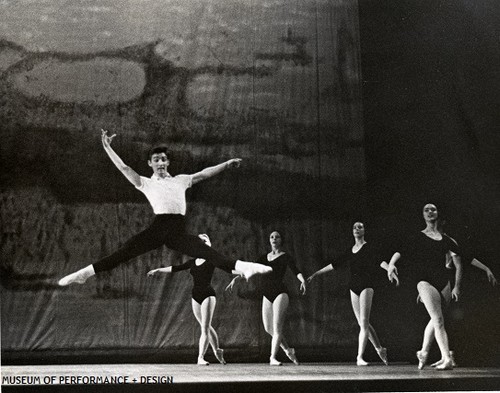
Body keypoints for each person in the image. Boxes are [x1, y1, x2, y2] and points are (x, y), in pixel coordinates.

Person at [58, 129, 272, 286]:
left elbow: (205, 173)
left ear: (168, 162)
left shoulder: (182, 179)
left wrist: (225, 164)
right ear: (150, 164)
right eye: (156, 160)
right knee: (124, 253)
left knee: (208, 253)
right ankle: (84, 273)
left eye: (163, 159)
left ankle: (245, 267)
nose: (160, 163)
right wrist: (107, 147)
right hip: (158, 228)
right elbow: (124, 167)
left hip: (177, 231)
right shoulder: (145, 182)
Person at [307, 221, 396, 366]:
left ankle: (359, 357)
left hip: (367, 286)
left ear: (364, 230)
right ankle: (380, 348)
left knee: (364, 323)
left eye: (360, 227)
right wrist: (316, 274)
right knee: (363, 323)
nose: (357, 229)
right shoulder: (350, 250)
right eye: (354, 227)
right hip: (353, 288)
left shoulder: (369, 247)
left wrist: (389, 270)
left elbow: (380, 261)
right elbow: (334, 265)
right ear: (352, 231)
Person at [387, 203, 463, 370]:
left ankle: (423, 352)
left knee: (436, 318)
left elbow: (458, 265)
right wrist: (392, 264)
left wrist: (457, 287)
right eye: (426, 210)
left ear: (438, 213)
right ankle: (446, 358)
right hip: (424, 281)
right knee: (438, 320)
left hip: (444, 283)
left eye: (433, 209)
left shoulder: (448, 240)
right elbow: (400, 251)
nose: (430, 212)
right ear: (423, 215)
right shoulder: (418, 236)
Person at [147, 234, 234, 365]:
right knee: (206, 326)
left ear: (209, 244)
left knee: (204, 328)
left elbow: (229, 267)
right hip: (196, 296)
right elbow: (175, 268)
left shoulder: (212, 259)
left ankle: (200, 357)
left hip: (208, 296)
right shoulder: (193, 262)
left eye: (205, 241)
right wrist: (158, 270)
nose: (202, 243)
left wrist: (240, 275)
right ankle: (217, 351)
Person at [226, 231, 306, 365]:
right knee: (268, 328)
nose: (274, 239)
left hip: (280, 293)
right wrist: (237, 277)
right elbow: (251, 269)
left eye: (277, 237)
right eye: (272, 237)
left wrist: (302, 280)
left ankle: (272, 358)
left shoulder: (285, 257)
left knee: (277, 328)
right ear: (269, 240)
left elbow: (295, 270)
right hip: (267, 294)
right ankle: (288, 350)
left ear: (281, 240)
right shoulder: (264, 258)